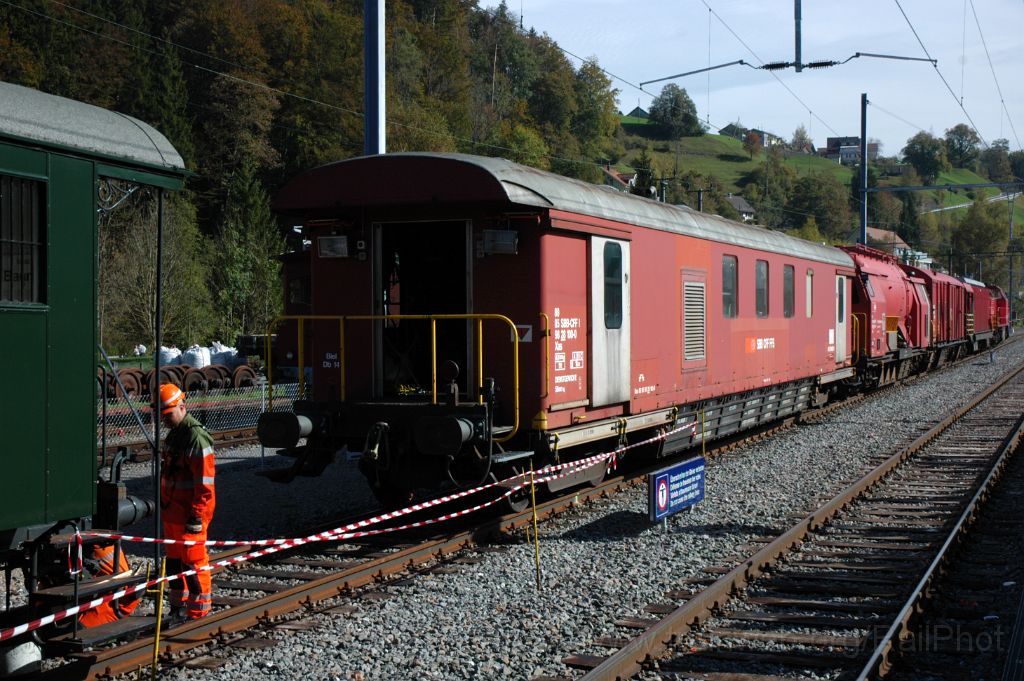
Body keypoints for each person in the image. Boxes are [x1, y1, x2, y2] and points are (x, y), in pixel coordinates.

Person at [158, 383, 216, 619]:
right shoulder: (175, 434)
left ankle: (198, 614)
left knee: (193, 562)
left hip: (190, 515)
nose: (165, 420)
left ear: (182, 407)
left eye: (168, 415)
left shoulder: (197, 438)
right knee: (174, 562)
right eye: (162, 416)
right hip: (173, 512)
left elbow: (205, 486)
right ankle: (177, 609)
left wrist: (196, 515)